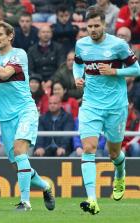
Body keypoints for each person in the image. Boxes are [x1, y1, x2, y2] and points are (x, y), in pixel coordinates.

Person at [0, 21, 55, 211]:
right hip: (5, 117)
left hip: (24, 111)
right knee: (17, 165)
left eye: (0, 34)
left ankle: (25, 202)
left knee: (20, 151)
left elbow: (3, 73)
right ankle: (45, 186)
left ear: (10, 36)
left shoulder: (19, 54)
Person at [74, 6, 140, 215]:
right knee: (89, 148)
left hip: (115, 106)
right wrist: (78, 76)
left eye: (96, 25)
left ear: (104, 24)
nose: (92, 29)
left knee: (113, 153)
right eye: (89, 26)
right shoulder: (81, 45)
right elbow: (77, 64)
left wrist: (115, 71)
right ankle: (92, 199)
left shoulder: (118, 45)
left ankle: (120, 174)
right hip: (91, 105)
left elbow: (136, 69)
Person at [28, 25, 65, 95]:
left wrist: (51, 81)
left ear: (51, 34)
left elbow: (61, 67)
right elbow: (30, 69)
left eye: (48, 32)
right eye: (43, 32)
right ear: (38, 34)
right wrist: (39, 80)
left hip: (55, 79)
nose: (46, 34)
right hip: (37, 80)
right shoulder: (31, 50)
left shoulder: (59, 48)